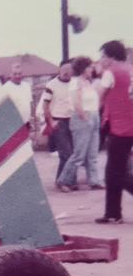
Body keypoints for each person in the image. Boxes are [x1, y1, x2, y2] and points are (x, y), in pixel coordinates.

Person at [95, 40, 133, 223]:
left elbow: (99, 98)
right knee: (118, 171)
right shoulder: (131, 70)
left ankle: (113, 213)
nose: (101, 60)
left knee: (115, 172)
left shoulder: (110, 73)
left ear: (111, 57)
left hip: (120, 128)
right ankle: (113, 213)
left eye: (103, 56)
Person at [57, 57, 104, 192]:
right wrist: (84, 117)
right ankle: (64, 180)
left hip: (94, 116)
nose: (92, 69)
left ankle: (94, 180)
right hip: (82, 118)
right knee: (79, 154)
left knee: (92, 153)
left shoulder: (88, 82)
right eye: (89, 67)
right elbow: (76, 102)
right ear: (83, 68)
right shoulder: (75, 83)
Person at [42, 60, 74, 185]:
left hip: (73, 121)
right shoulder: (51, 84)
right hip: (58, 122)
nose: (66, 72)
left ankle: (67, 181)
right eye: (64, 69)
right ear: (59, 70)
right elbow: (45, 105)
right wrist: (51, 121)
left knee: (71, 154)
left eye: (69, 69)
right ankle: (63, 182)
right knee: (66, 154)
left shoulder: (75, 84)